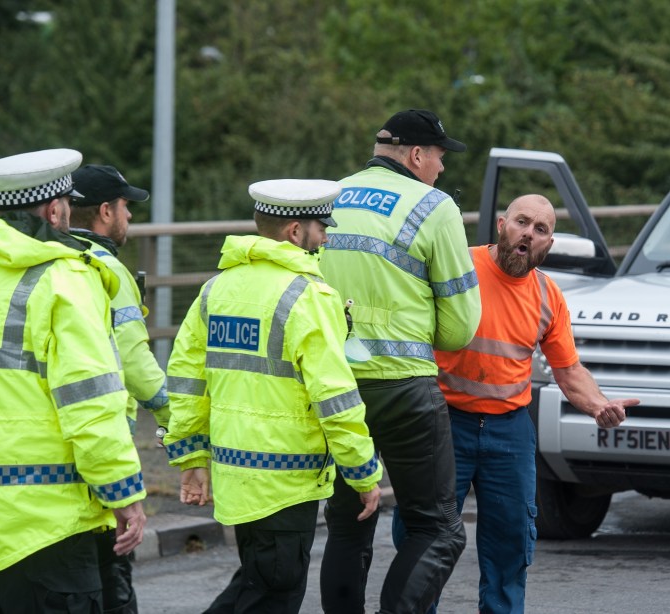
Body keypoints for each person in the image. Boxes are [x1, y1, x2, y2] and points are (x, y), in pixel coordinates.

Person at [396, 194, 639, 613]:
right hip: (444, 421)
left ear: (548, 243)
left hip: (509, 431)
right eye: (522, 222)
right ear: (501, 225)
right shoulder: (459, 267)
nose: (529, 233)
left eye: (540, 229)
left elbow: (568, 369)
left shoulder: (548, 295)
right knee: (426, 539)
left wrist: (598, 404)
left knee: (510, 544)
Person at [163, 178, 383, 613]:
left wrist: (191, 457)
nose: (325, 237)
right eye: (321, 227)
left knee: (257, 583)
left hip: (234, 475)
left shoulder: (215, 290)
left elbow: (186, 380)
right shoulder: (309, 296)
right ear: (295, 231)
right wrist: (363, 472)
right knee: (271, 595)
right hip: (285, 480)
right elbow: (335, 398)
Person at [319, 109, 481, 614]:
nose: (442, 168)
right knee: (439, 528)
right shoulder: (434, 206)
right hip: (404, 389)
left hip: (336, 388)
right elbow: (459, 329)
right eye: (438, 156)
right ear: (415, 154)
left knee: (348, 524)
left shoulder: (328, 198)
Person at [0, 149, 147, 613]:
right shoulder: (65, 282)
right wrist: (124, 495)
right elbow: (91, 404)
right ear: (56, 210)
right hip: (48, 527)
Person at [69, 163, 169, 614]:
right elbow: (134, 364)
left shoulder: (47, 261)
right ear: (106, 211)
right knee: (113, 575)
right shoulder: (107, 269)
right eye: (127, 207)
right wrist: (177, 418)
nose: (130, 217)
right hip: (102, 438)